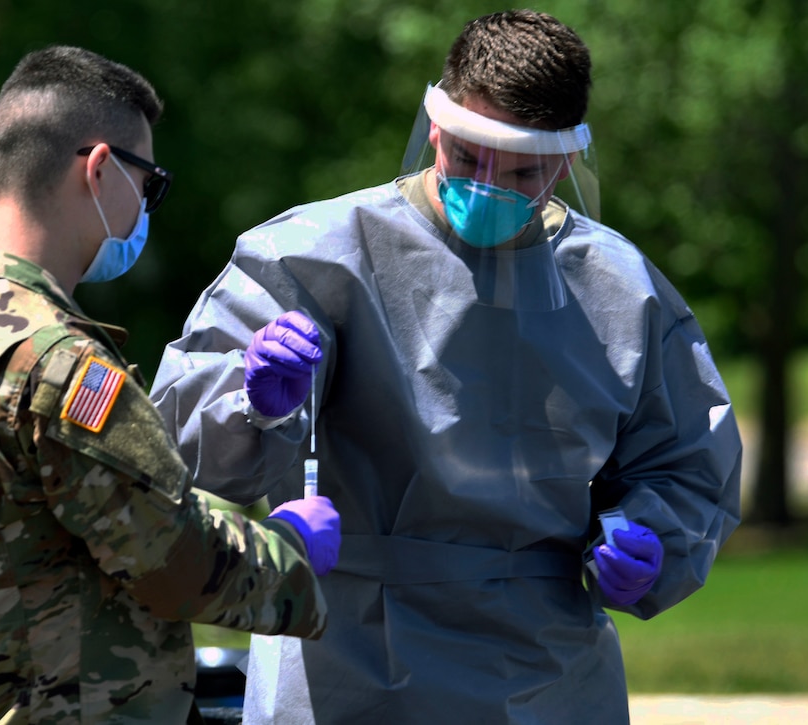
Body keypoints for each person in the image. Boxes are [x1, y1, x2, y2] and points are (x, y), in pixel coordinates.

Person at [150, 9, 742, 725]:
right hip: (346, 658)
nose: (487, 186)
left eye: (521, 171)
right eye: (466, 157)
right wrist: (252, 400)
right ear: (435, 126)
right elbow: (175, 449)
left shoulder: (621, 289)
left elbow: (688, 465)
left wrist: (653, 538)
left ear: (564, 161)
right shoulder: (315, 256)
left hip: (544, 669)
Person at [0, 45, 340, 725]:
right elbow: (171, 559)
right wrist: (290, 546)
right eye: (150, 181)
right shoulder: (58, 363)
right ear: (102, 167)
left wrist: (249, 413)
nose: (146, 204)